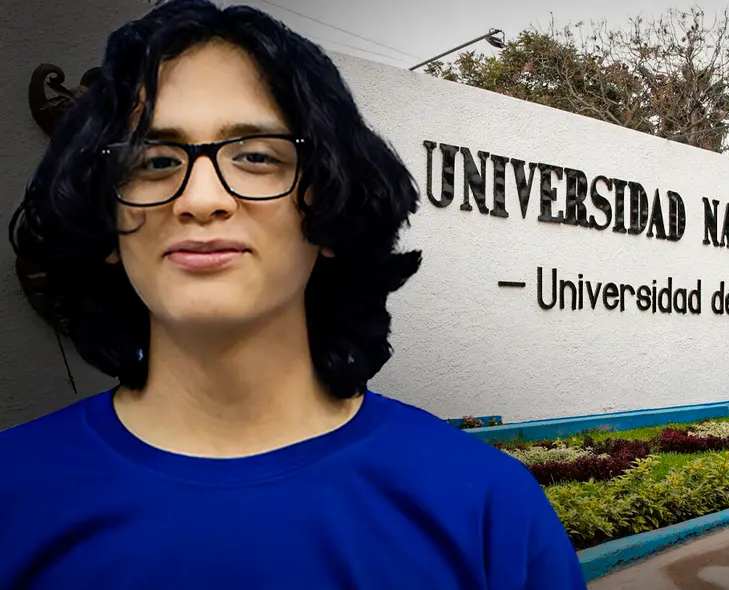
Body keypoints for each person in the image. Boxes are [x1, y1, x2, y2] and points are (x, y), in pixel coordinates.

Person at [0, 1, 587, 588]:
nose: (201, 199)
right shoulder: (15, 494)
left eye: (256, 156)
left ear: (328, 208)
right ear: (107, 219)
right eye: (153, 160)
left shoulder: (487, 510)